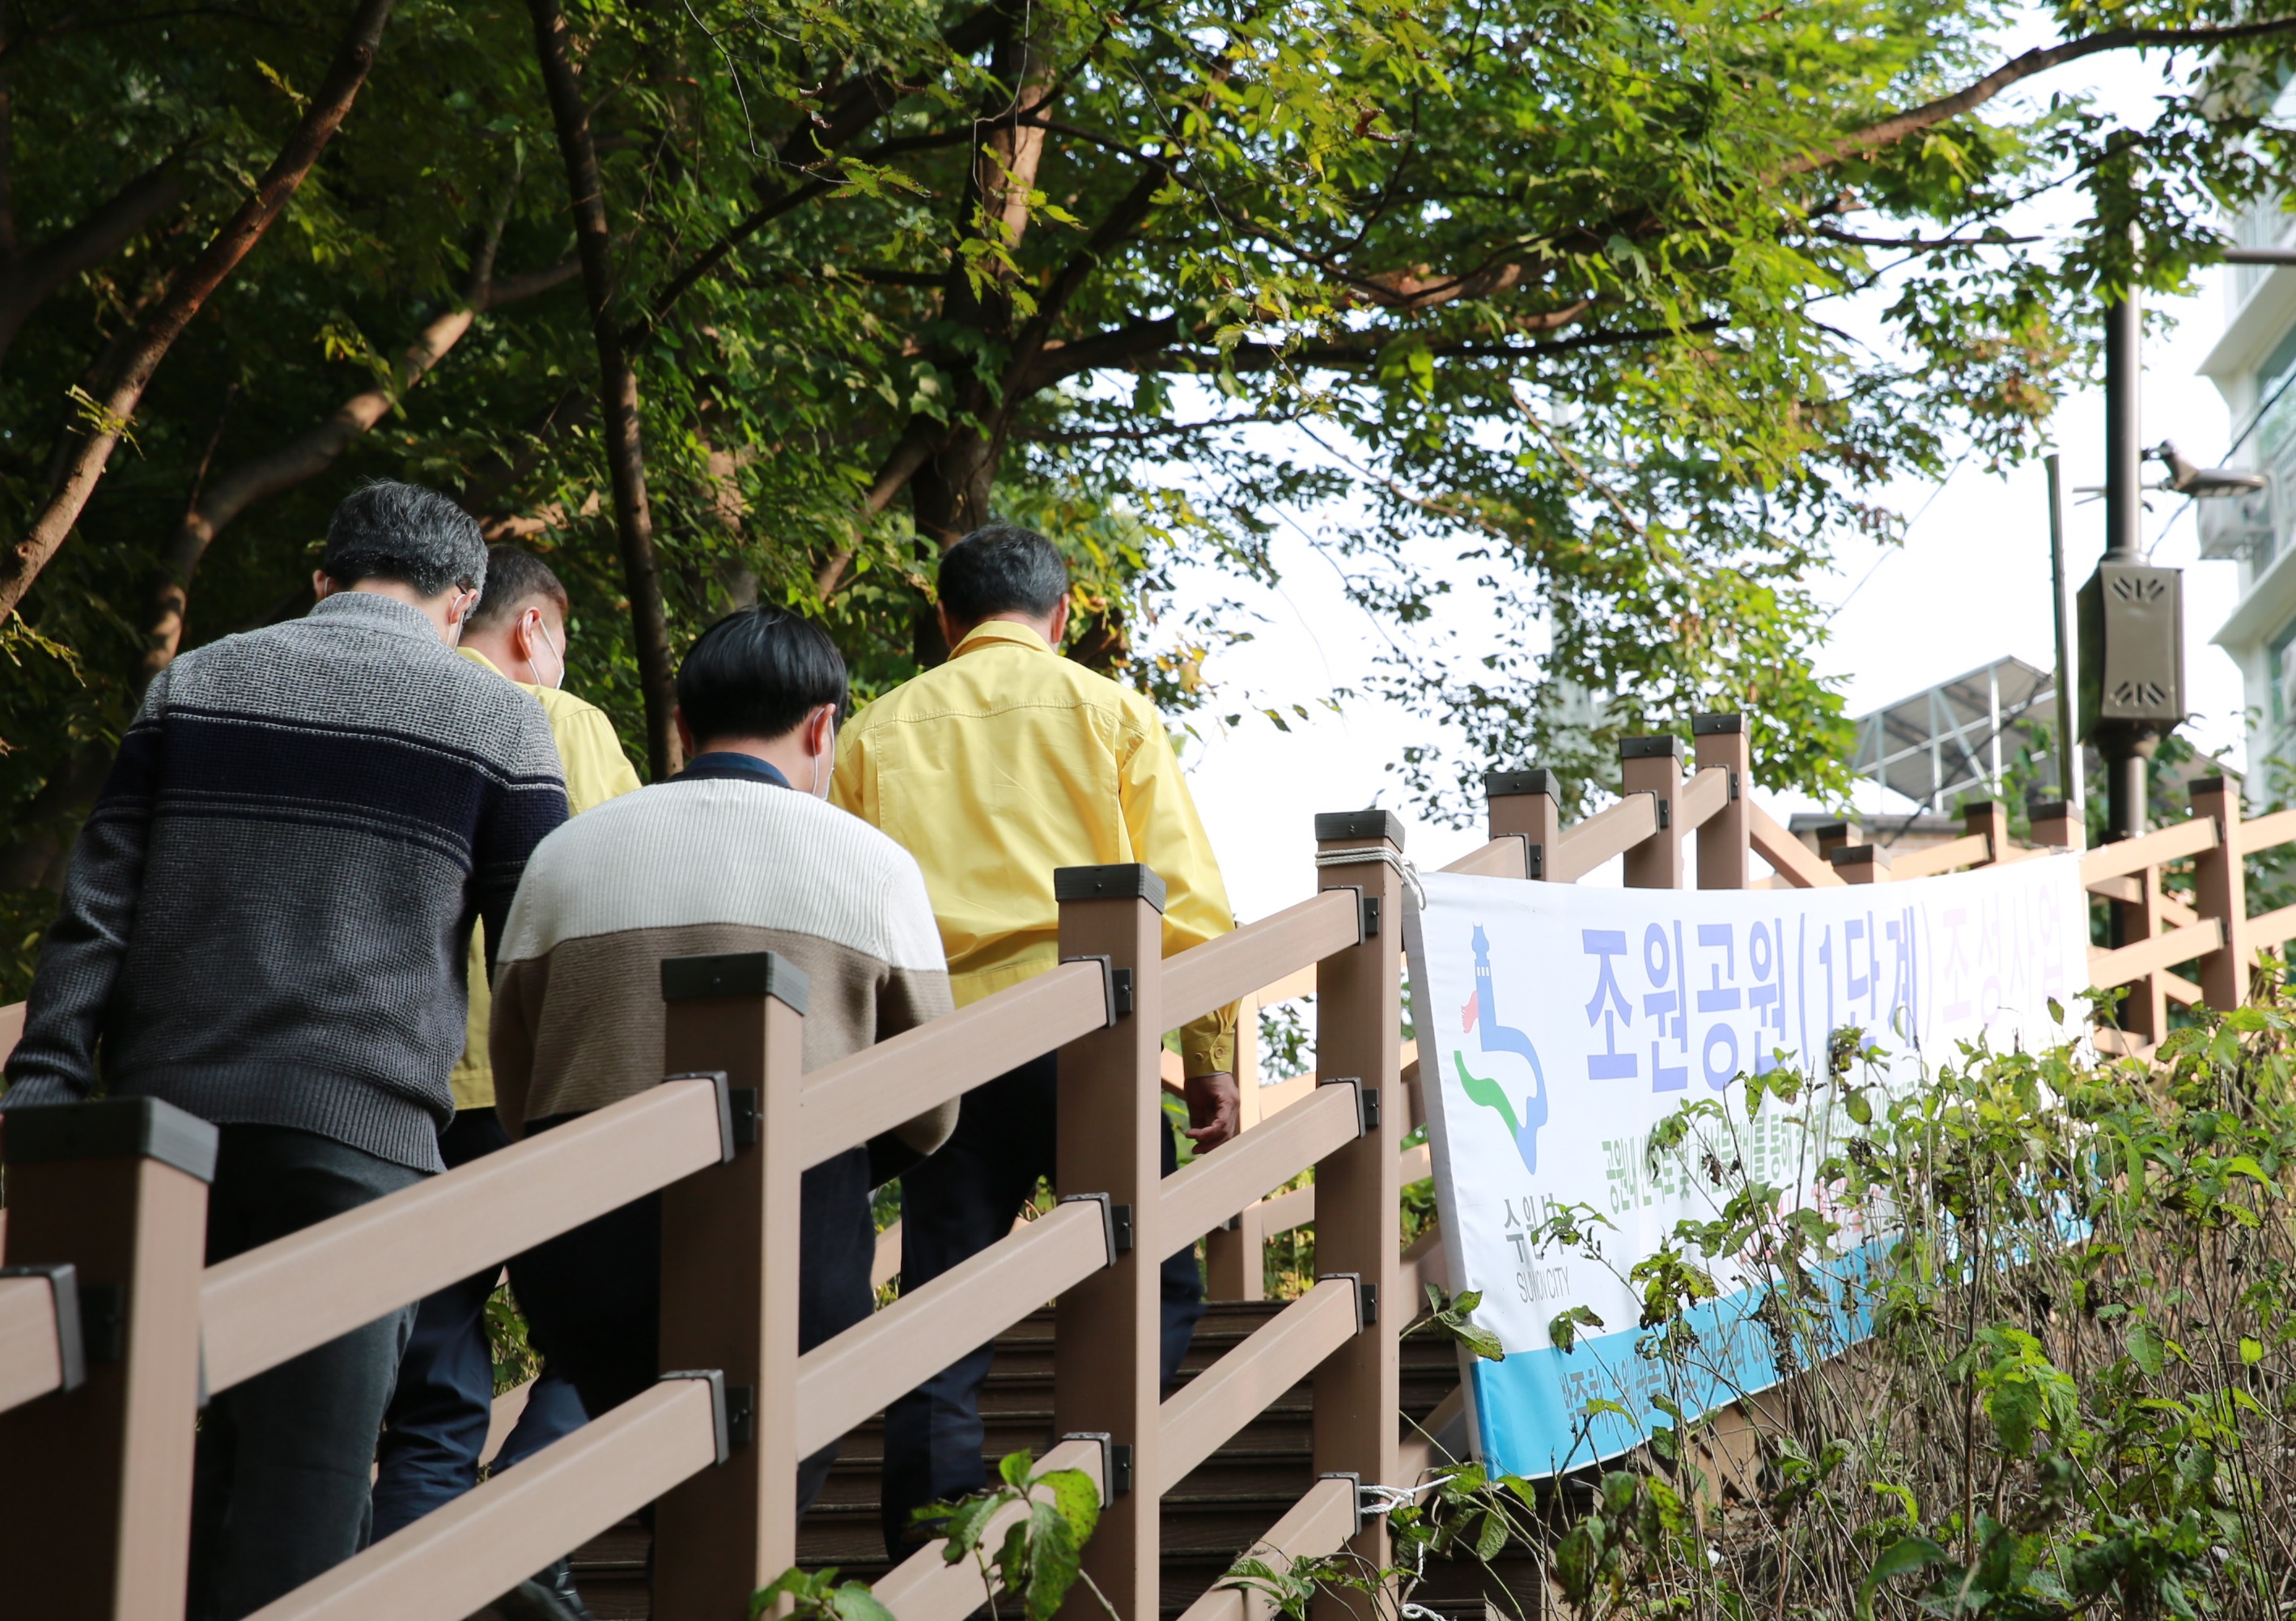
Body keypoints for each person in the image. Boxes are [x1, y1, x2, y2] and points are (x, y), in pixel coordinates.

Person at [0, 482, 569, 1621]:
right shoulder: (503, 721)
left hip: (155, 1140)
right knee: (302, 1498)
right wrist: (545, 1138)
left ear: (323, 576)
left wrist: (46, 1095)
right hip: (361, 1144)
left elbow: (93, 915)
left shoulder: (194, 682)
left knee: (120, 1462)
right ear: (463, 602)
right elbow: (536, 960)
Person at [488, 604, 959, 1530]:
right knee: (751, 1499)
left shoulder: (564, 854)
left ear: (681, 725)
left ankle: (543, 1531)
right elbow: (933, 1105)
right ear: (824, 725)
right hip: (791, 1231)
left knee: (649, 1463)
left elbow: (518, 1078)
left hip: (585, 1230)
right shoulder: (873, 865)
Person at [830, 523, 1241, 1558]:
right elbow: (1189, 909)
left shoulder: (876, 730)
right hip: (1090, 1042)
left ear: (945, 619)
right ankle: (1077, 1498)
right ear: (1059, 616)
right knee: (1155, 1276)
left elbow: (841, 907)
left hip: (942, 1050)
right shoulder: (1112, 713)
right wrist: (1209, 1062)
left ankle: (933, 1560)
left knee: (943, 1310)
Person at [370, 547, 641, 1621]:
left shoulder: (397, 710)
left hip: (413, 1078)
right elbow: (618, 885)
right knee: (600, 1324)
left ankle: (418, 1585)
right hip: (546, 1075)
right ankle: (529, 1516)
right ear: (531, 626)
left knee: (430, 1378)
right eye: (562, 642)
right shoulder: (565, 724)